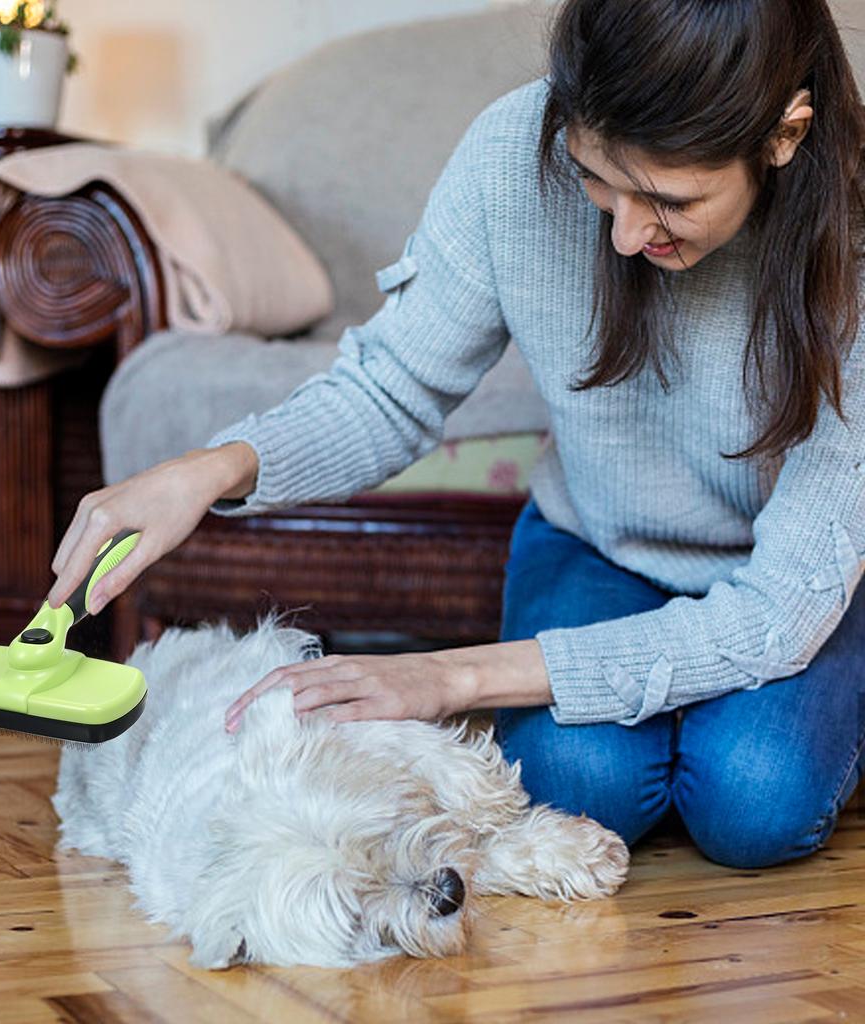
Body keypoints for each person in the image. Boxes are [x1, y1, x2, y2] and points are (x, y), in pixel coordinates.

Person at [46, 0, 865, 869]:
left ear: (784, 135)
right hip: (601, 544)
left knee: (753, 798)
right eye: (597, 180)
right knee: (581, 784)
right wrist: (211, 471)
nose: (624, 235)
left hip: (785, 581)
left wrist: (450, 677)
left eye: (668, 200)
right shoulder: (515, 153)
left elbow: (776, 611)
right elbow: (394, 385)